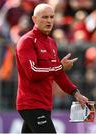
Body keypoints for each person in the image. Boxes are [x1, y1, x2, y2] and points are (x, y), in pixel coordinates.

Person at [15, 3, 89, 133]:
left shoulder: (51, 42)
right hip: (31, 104)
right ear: (34, 19)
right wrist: (60, 67)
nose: (49, 20)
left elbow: (57, 74)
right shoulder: (26, 41)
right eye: (44, 17)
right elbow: (33, 72)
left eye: (51, 17)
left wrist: (75, 93)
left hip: (45, 104)